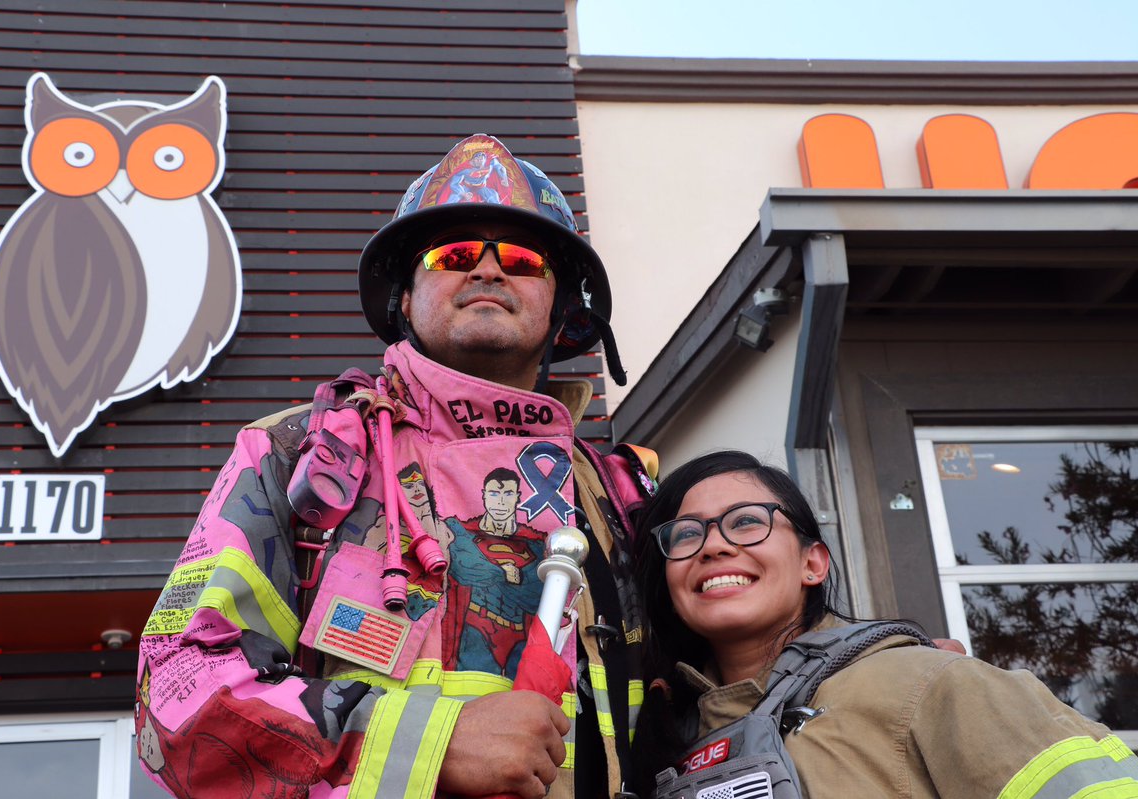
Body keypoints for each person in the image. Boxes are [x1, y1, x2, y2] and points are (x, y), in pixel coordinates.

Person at [136, 134, 655, 799]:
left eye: (522, 259)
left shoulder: (616, 493)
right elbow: (176, 693)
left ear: (561, 310)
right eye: (456, 254)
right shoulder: (299, 453)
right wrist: (431, 743)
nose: (489, 271)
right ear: (405, 299)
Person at [631, 450, 1138, 798]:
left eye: (746, 521)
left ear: (814, 563)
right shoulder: (658, 742)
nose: (714, 545)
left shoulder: (934, 684)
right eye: (686, 533)